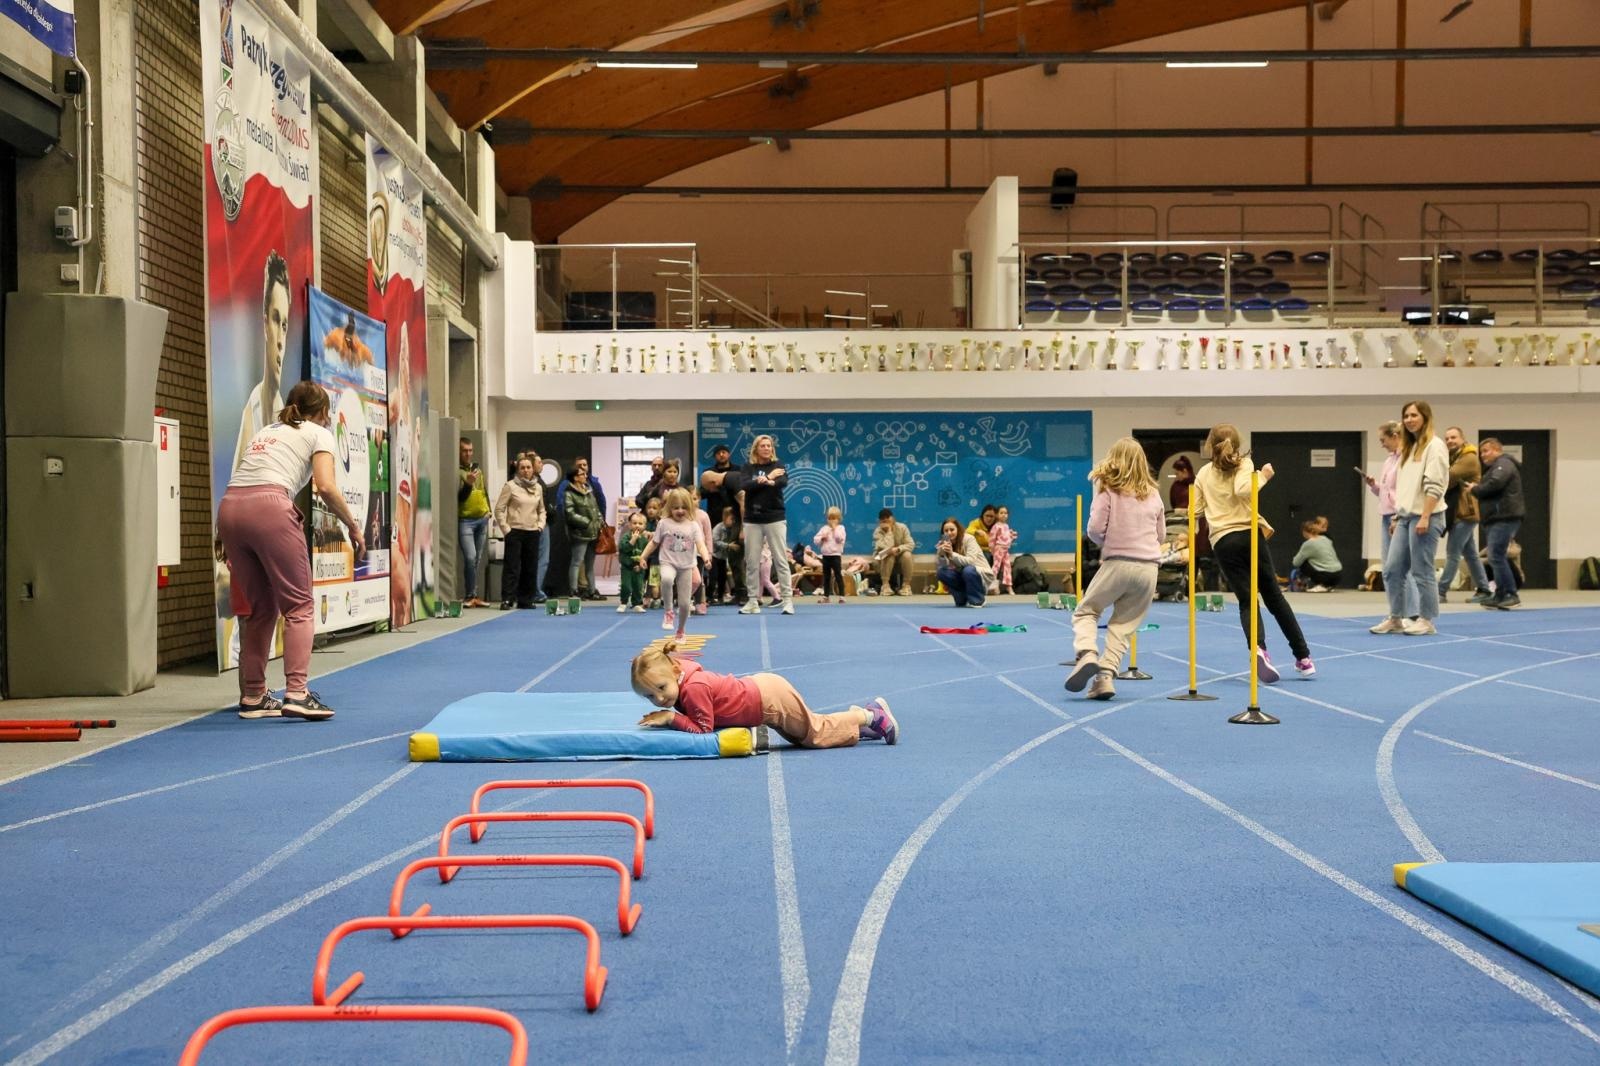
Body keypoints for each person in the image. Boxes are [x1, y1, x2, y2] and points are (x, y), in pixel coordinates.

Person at [218, 381, 362, 721]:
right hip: (268, 507)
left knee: (259, 608)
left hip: (230, 509)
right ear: (324, 413)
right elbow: (325, 486)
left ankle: (253, 696)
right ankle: (297, 693)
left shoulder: (266, 431)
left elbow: (243, 477)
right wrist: (353, 526)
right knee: (299, 604)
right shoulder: (318, 432)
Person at [1192, 424, 1314, 679]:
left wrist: (1193, 527)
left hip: (1223, 541)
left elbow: (1196, 510)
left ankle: (1259, 649)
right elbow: (1243, 490)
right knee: (1274, 597)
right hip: (1248, 534)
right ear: (1236, 444)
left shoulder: (1203, 473)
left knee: (1247, 599)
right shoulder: (1245, 464)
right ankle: (1303, 657)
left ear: (1209, 445)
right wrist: (1265, 475)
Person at [632, 640, 898, 747]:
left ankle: (870, 716)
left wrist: (671, 718)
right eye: (649, 696)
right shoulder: (683, 676)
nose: (659, 699)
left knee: (813, 735)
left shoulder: (693, 688)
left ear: (675, 670)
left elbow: (703, 729)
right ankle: (861, 726)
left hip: (769, 700)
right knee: (806, 733)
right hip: (763, 693)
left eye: (661, 688)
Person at [1064, 437, 1167, 700]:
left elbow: (1095, 530)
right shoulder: (1153, 493)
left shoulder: (1108, 488)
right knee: (1123, 625)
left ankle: (1087, 653)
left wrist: (1108, 541)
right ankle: (1105, 677)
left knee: (1086, 611)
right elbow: (1162, 535)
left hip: (1118, 562)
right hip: (1149, 570)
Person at [1372, 400, 1448, 636]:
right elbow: (1404, 487)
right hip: (1404, 517)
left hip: (1427, 516)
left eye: (1414, 415)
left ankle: (1426, 619)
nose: (1409, 419)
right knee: (1392, 569)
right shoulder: (1408, 449)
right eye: (1406, 415)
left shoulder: (1435, 446)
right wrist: (1397, 516)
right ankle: (1396, 617)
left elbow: (1434, 484)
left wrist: (1425, 516)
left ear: (1425, 417)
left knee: (1422, 570)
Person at [1360, 420, 1416, 616]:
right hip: (1386, 516)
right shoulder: (1389, 460)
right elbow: (1387, 491)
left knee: (1400, 567)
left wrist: (1397, 517)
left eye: (1383, 440)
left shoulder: (1406, 460)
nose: (1381, 444)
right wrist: (1374, 486)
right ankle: (1397, 612)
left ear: (1395, 436)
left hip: (1398, 517)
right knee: (1390, 569)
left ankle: (1412, 612)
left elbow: (1405, 491)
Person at [638, 488, 710, 637]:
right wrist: (643, 557)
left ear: (689, 507)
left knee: (684, 605)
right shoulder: (664, 523)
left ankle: (681, 630)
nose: (680, 511)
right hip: (668, 562)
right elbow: (654, 543)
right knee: (667, 578)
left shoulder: (693, 525)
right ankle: (668, 612)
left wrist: (706, 557)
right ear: (669, 507)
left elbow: (700, 544)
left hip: (686, 566)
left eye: (684, 507)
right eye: (676, 507)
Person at [1437, 426, 1494, 605]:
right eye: (1447, 438)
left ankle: (1440, 591)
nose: (1449, 441)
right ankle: (1484, 589)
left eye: (1453, 437)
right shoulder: (1456, 457)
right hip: (1460, 513)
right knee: (1470, 555)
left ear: (1463, 439)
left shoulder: (1468, 458)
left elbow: (1449, 477)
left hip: (1466, 512)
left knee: (1452, 553)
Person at [739, 435, 794, 615]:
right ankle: (753, 601)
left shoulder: (778, 465)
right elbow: (746, 485)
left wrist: (770, 481)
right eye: (762, 446)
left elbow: (782, 482)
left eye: (769, 445)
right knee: (752, 561)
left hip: (775, 518)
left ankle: (787, 600)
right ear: (756, 449)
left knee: (780, 559)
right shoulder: (749, 467)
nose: (766, 448)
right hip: (753, 520)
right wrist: (766, 479)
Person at [1470, 437, 1525, 609]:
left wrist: (1475, 489)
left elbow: (1495, 484)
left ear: (1497, 450)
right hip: (1498, 518)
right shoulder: (1497, 467)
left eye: (1486, 451)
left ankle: (1510, 594)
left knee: (1496, 556)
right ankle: (1501, 594)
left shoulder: (1504, 464)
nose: (1483, 455)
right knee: (1496, 556)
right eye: (1481, 453)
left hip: (1504, 517)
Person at [493, 456, 545, 610]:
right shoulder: (510, 486)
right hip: (514, 531)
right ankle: (507, 599)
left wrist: (540, 525)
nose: (526, 470)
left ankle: (526, 599)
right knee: (512, 567)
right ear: (518, 470)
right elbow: (499, 509)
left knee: (530, 568)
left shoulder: (538, 488)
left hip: (532, 532)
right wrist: (506, 529)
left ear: (532, 469)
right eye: (522, 467)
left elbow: (541, 510)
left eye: (528, 467)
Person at [556, 457, 609, 600]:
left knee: (590, 565)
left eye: (585, 474)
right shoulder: (569, 493)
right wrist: (586, 522)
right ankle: (573, 591)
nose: (585, 476)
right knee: (576, 562)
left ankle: (592, 590)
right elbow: (570, 513)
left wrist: (599, 522)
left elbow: (596, 508)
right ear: (574, 477)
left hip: (593, 532)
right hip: (579, 533)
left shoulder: (589, 490)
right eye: (582, 474)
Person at [457, 437, 491, 607]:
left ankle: (474, 595)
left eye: (470, 450)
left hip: (482, 519)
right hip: (465, 521)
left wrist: (488, 510)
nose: (468, 454)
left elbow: (484, 491)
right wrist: (468, 484)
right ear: (458, 452)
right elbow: (460, 497)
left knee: (477, 559)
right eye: (465, 450)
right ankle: (469, 595)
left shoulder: (477, 469)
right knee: (470, 557)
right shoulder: (457, 471)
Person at [935, 516, 995, 608]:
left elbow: (970, 561)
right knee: (941, 572)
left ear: (958, 529)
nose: (949, 533)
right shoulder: (945, 542)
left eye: (952, 530)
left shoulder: (969, 539)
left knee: (968, 570)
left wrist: (952, 553)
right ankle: (962, 597)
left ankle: (978, 600)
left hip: (980, 573)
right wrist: (941, 554)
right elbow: (943, 566)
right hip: (962, 574)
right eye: (946, 531)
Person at [871, 508, 916, 596]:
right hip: (880, 558)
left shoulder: (902, 527)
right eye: (882, 518)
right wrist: (889, 531)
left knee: (907, 555)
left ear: (893, 518)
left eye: (887, 517)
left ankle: (906, 585)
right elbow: (886, 548)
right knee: (888, 553)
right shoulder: (877, 532)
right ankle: (885, 585)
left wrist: (898, 549)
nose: (885, 519)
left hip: (899, 556)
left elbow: (911, 544)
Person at [1292, 520, 1343, 591]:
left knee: (1303, 563)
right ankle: (1328, 586)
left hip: (1326, 576)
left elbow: (1296, 563)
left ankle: (1322, 584)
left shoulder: (1308, 544)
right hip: (1338, 575)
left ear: (1304, 532)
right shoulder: (1326, 539)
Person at [617, 511, 650, 613]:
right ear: (630, 525)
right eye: (634, 523)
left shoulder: (644, 540)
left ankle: (636, 603)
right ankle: (623, 602)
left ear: (644, 526)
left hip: (638, 568)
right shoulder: (626, 536)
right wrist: (632, 540)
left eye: (640, 524)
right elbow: (623, 548)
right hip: (627, 567)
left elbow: (646, 554)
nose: (637, 526)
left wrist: (641, 566)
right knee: (626, 586)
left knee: (638, 586)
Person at [711, 505, 745, 604]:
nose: (734, 521)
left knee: (723, 577)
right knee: (714, 577)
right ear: (725, 518)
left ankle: (722, 596)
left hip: (723, 558)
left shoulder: (734, 529)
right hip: (715, 556)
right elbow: (715, 541)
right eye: (732, 519)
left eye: (735, 519)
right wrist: (728, 546)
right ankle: (710, 596)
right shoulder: (719, 527)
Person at [813, 506, 847, 603]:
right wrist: (821, 538)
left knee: (838, 575)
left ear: (839, 519)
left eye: (834, 518)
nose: (832, 521)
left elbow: (839, 539)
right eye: (830, 518)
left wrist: (834, 528)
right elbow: (815, 539)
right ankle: (826, 596)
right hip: (826, 556)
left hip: (836, 556)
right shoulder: (824, 528)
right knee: (826, 576)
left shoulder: (841, 528)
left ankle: (842, 596)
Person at [989, 505, 1017, 593]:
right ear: (997, 515)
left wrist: (1012, 536)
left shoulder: (1006, 526)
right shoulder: (996, 526)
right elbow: (992, 539)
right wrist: (993, 550)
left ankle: (1009, 586)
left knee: (1007, 567)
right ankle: (991, 585)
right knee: (996, 567)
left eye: (1005, 513)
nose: (1004, 515)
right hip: (999, 548)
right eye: (1001, 513)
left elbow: (1008, 539)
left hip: (1006, 549)